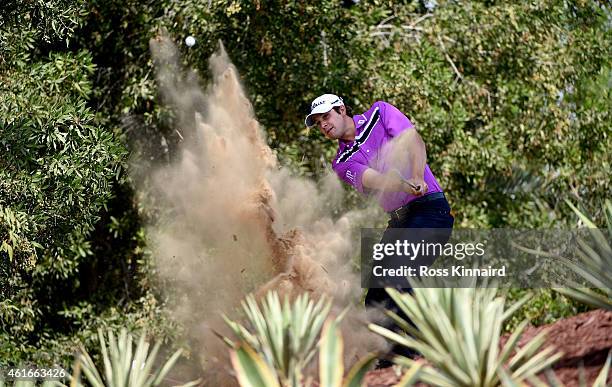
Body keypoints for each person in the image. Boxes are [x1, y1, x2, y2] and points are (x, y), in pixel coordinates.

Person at [305, 93, 454, 363]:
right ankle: (392, 363)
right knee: (375, 298)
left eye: (326, 116)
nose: (323, 125)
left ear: (341, 109)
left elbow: (413, 141)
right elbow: (371, 179)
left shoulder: (380, 113)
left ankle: (427, 351)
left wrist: (418, 177)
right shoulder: (341, 161)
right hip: (399, 220)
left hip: (431, 210)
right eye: (318, 122)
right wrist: (398, 184)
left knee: (399, 275)